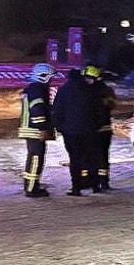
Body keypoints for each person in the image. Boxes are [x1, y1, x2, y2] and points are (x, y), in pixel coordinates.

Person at [51, 67, 100, 197]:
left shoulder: (63, 90)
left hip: (70, 132)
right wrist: (96, 126)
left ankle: (76, 188)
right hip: (89, 131)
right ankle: (95, 186)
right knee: (91, 157)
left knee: (75, 159)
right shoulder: (89, 89)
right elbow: (98, 109)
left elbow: (57, 110)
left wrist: (59, 127)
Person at [18, 63, 56, 198]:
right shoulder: (37, 89)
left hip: (31, 129)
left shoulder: (33, 88)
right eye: (50, 77)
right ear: (43, 76)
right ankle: (32, 188)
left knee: (34, 157)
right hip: (35, 130)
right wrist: (42, 128)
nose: (51, 80)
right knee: (35, 158)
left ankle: (32, 185)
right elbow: (37, 109)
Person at [86, 66, 116, 192]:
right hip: (105, 128)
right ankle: (104, 182)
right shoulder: (107, 90)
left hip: (93, 129)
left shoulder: (88, 91)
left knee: (92, 155)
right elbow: (111, 105)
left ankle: (93, 182)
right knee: (103, 155)